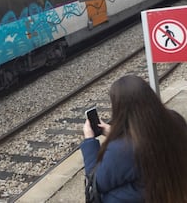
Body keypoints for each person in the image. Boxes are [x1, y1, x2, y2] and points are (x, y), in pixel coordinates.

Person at [80, 75, 187, 203]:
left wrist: (89, 141)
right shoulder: (175, 120)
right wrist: (113, 132)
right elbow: (148, 134)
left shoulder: (122, 150)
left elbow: (96, 184)